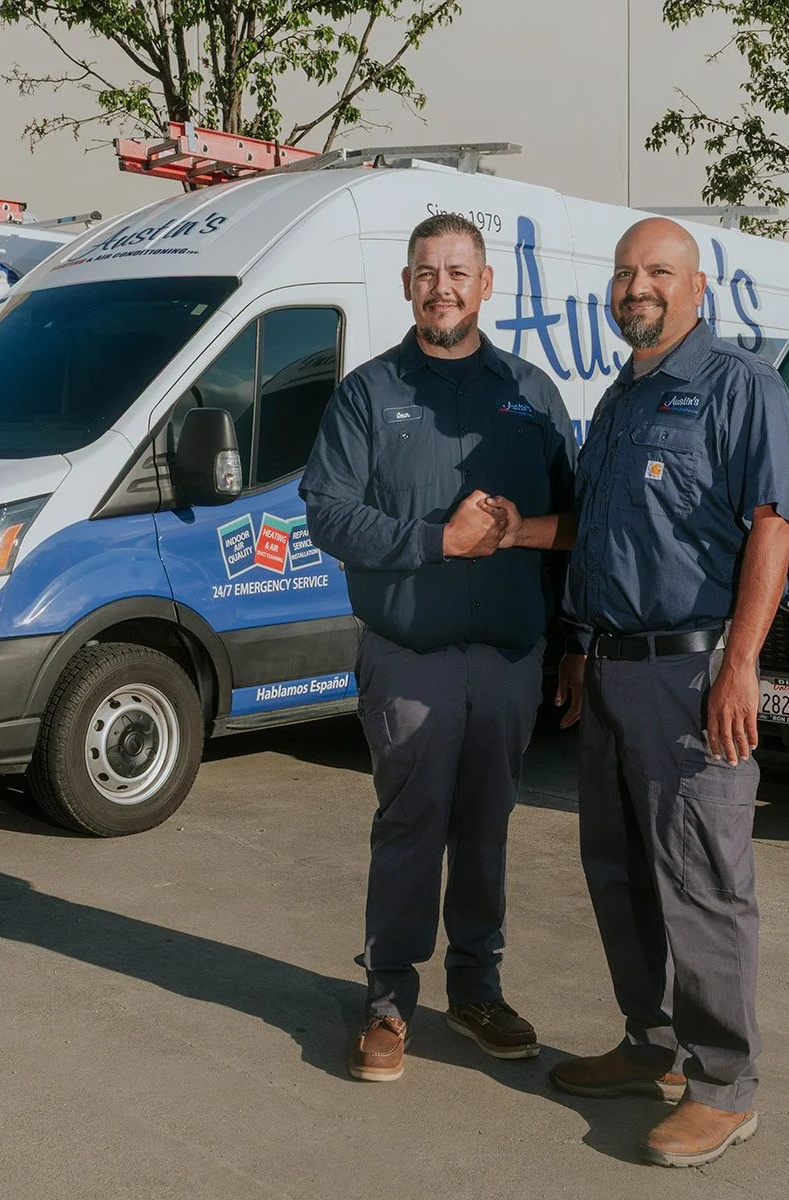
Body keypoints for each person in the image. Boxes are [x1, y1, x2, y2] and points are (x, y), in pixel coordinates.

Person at [547, 217, 789, 1166]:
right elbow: (607, 536)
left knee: (702, 881)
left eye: (658, 271)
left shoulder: (743, 388)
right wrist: (578, 644)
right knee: (615, 869)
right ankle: (649, 1045)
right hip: (613, 668)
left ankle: (724, 1085)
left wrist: (740, 663)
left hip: (694, 673)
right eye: (624, 273)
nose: (636, 286)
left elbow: (773, 529)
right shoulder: (618, 400)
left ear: (698, 287)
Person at [301, 212, 575, 1083]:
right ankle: (387, 1001)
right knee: (411, 823)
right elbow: (327, 512)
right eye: (427, 271)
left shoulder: (530, 394)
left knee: (487, 826)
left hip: (507, 660)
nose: (442, 286)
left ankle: (477, 988)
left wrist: (571, 643)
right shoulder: (369, 393)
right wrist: (437, 542)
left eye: (459, 271)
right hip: (408, 656)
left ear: (487, 284)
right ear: (408, 283)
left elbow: (577, 526)